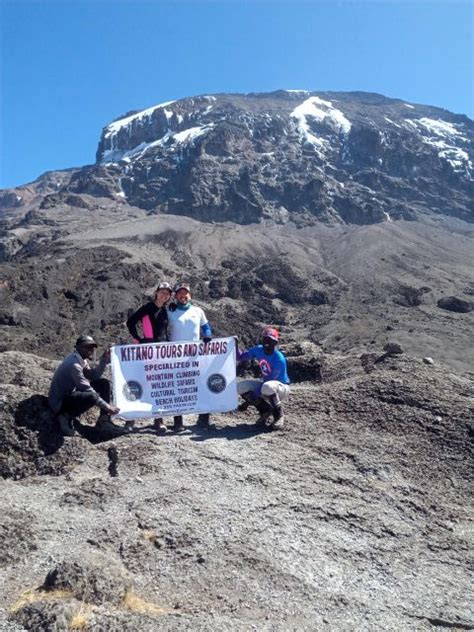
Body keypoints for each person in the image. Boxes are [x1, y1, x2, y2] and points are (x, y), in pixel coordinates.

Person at [48, 335, 121, 436]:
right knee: (92, 396)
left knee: (103, 383)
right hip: (59, 403)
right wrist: (107, 407)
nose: (90, 350)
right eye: (86, 347)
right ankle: (64, 416)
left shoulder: (81, 360)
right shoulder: (75, 365)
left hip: (70, 395)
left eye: (92, 347)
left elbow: (94, 376)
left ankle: (103, 420)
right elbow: (86, 388)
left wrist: (104, 359)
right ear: (77, 347)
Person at [126, 281, 172, 433]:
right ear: (156, 293)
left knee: (159, 385)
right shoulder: (147, 308)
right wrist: (137, 338)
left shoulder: (166, 310)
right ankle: (131, 419)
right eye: (162, 292)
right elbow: (131, 322)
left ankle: (158, 420)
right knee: (140, 382)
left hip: (162, 351)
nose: (164, 295)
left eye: (167, 293)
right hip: (147, 350)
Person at [167, 283, 213, 431]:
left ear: (190, 295)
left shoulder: (198, 311)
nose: (183, 295)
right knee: (178, 388)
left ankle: (203, 419)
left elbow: (206, 326)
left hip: (195, 356)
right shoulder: (169, 310)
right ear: (175, 296)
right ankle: (178, 421)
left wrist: (207, 335)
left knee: (201, 386)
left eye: (186, 293)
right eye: (180, 293)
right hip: (176, 357)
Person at [236, 327, 290, 430]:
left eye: (270, 340)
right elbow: (241, 357)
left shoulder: (279, 359)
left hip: (280, 388)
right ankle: (265, 411)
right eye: (265, 339)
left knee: (267, 387)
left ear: (275, 342)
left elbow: (270, 380)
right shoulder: (258, 350)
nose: (267, 342)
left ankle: (279, 416)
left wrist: (247, 402)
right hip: (266, 385)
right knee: (240, 387)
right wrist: (235, 345)